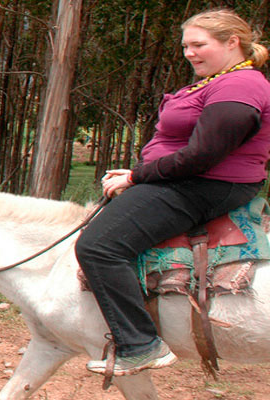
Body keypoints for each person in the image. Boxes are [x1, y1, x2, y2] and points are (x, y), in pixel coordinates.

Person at [77, 8, 270, 376]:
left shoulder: (240, 85)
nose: (189, 53)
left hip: (205, 185)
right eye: (185, 46)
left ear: (233, 43)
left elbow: (203, 155)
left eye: (199, 45)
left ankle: (139, 344)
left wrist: (137, 177)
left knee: (98, 246)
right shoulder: (217, 80)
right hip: (189, 180)